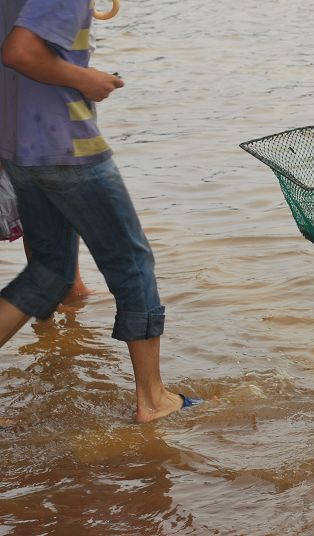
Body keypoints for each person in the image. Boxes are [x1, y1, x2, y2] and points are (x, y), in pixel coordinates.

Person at [0, 0, 200, 422]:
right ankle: (154, 400)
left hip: (19, 147)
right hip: (68, 148)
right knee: (132, 263)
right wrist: (87, 79)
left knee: (49, 272)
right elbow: (20, 52)